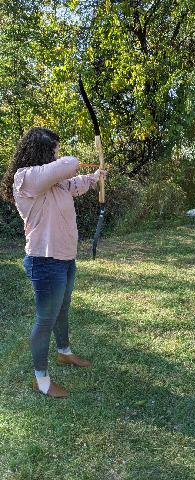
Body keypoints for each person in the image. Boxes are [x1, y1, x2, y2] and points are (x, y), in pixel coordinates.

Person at [0, 127, 107, 398]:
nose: (59, 154)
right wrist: (69, 161)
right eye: (55, 149)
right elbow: (70, 165)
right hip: (44, 261)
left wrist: (94, 178)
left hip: (65, 258)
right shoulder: (25, 178)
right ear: (44, 151)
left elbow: (74, 184)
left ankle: (64, 353)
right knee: (45, 319)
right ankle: (41, 379)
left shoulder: (53, 181)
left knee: (62, 309)